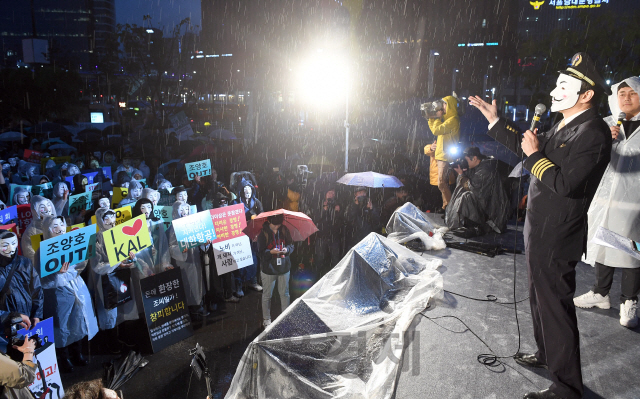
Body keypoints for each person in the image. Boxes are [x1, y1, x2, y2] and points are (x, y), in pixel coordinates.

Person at [469, 52, 612, 399]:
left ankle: (566, 388)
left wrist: (534, 155)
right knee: (537, 298)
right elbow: (529, 148)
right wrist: (496, 122)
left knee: (554, 306)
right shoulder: (564, 124)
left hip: (558, 232)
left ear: (587, 94)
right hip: (539, 226)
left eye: (564, 85)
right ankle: (546, 354)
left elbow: (565, 184)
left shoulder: (593, 132)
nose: (553, 91)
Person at [574, 76, 640, 328]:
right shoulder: (606, 124)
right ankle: (601, 293)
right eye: (621, 93)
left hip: (633, 201)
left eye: (632, 93)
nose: (626, 97)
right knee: (603, 241)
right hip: (603, 197)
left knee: (631, 250)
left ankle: (629, 301)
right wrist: (604, 140)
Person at [35, 216, 98, 373]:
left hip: (75, 286)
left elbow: (81, 263)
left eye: (61, 225)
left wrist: (73, 271)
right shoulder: (41, 251)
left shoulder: (72, 242)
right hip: (57, 293)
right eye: (54, 226)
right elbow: (42, 279)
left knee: (78, 320)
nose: (60, 228)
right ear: (47, 229)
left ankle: (77, 353)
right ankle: (64, 357)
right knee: (61, 325)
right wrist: (57, 273)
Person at [89, 208, 139, 354]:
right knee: (108, 310)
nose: (111, 223)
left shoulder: (119, 233)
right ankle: (109, 342)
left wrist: (131, 258)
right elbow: (97, 266)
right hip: (104, 281)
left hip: (120, 277)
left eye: (113, 219)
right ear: (100, 221)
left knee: (122, 307)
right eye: (107, 220)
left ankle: (120, 337)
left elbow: (128, 253)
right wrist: (117, 263)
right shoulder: (95, 239)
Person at [445, 147, 510, 236]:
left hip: (493, 213)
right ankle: (468, 223)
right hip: (487, 206)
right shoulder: (480, 166)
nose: (465, 163)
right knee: (465, 195)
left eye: (466, 160)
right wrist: (463, 172)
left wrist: (461, 174)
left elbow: (471, 186)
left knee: (466, 196)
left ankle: (478, 226)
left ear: (475, 158)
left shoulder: (485, 169)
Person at [166, 201, 209, 317]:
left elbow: (199, 239)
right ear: (176, 211)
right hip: (183, 262)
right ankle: (191, 309)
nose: (185, 212)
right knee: (187, 284)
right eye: (182, 210)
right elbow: (170, 246)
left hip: (194, 258)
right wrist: (180, 250)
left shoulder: (192, 224)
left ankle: (198, 305)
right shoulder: (173, 228)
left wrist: (204, 243)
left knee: (197, 282)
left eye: (186, 209)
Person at [423, 95, 460, 213]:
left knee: (441, 183)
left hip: (445, 155)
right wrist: (431, 118)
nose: (441, 107)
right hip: (441, 155)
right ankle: (446, 207)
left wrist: (436, 118)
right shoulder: (448, 120)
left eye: (444, 104)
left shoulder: (453, 120)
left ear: (449, 105)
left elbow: (436, 130)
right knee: (442, 184)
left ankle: (449, 207)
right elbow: (435, 129)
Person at [0, 230, 43, 332]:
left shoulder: (25, 263)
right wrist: (10, 316)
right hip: (3, 326)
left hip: (27, 320)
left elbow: (36, 290)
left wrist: (36, 315)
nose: (11, 248)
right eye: (5, 245)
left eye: (14, 243)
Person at [257, 214, 294, 327]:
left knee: (285, 294)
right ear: (269, 222)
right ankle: (266, 319)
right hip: (269, 269)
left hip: (284, 267)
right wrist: (270, 253)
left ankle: (285, 316)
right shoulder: (263, 233)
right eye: (274, 225)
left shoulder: (284, 229)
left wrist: (286, 250)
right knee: (267, 295)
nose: (276, 228)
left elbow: (291, 245)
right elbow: (260, 253)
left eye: (278, 225)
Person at [312, 189, 343, 276]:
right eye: (329, 192)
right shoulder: (319, 203)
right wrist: (324, 210)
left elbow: (341, 222)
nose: (331, 195)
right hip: (322, 237)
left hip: (334, 237)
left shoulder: (337, 205)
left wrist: (338, 212)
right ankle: (317, 279)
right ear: (325, 194)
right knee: (319, 259)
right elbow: (316, 219)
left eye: (333, 193)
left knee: (335, 260)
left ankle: (334, 279)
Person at [20, 196, 56, 265]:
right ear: (35, 211)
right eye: (42, 207)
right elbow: (31, 257)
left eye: (48, 205)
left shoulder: (58, 224)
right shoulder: (30, 232)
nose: (47, 209)